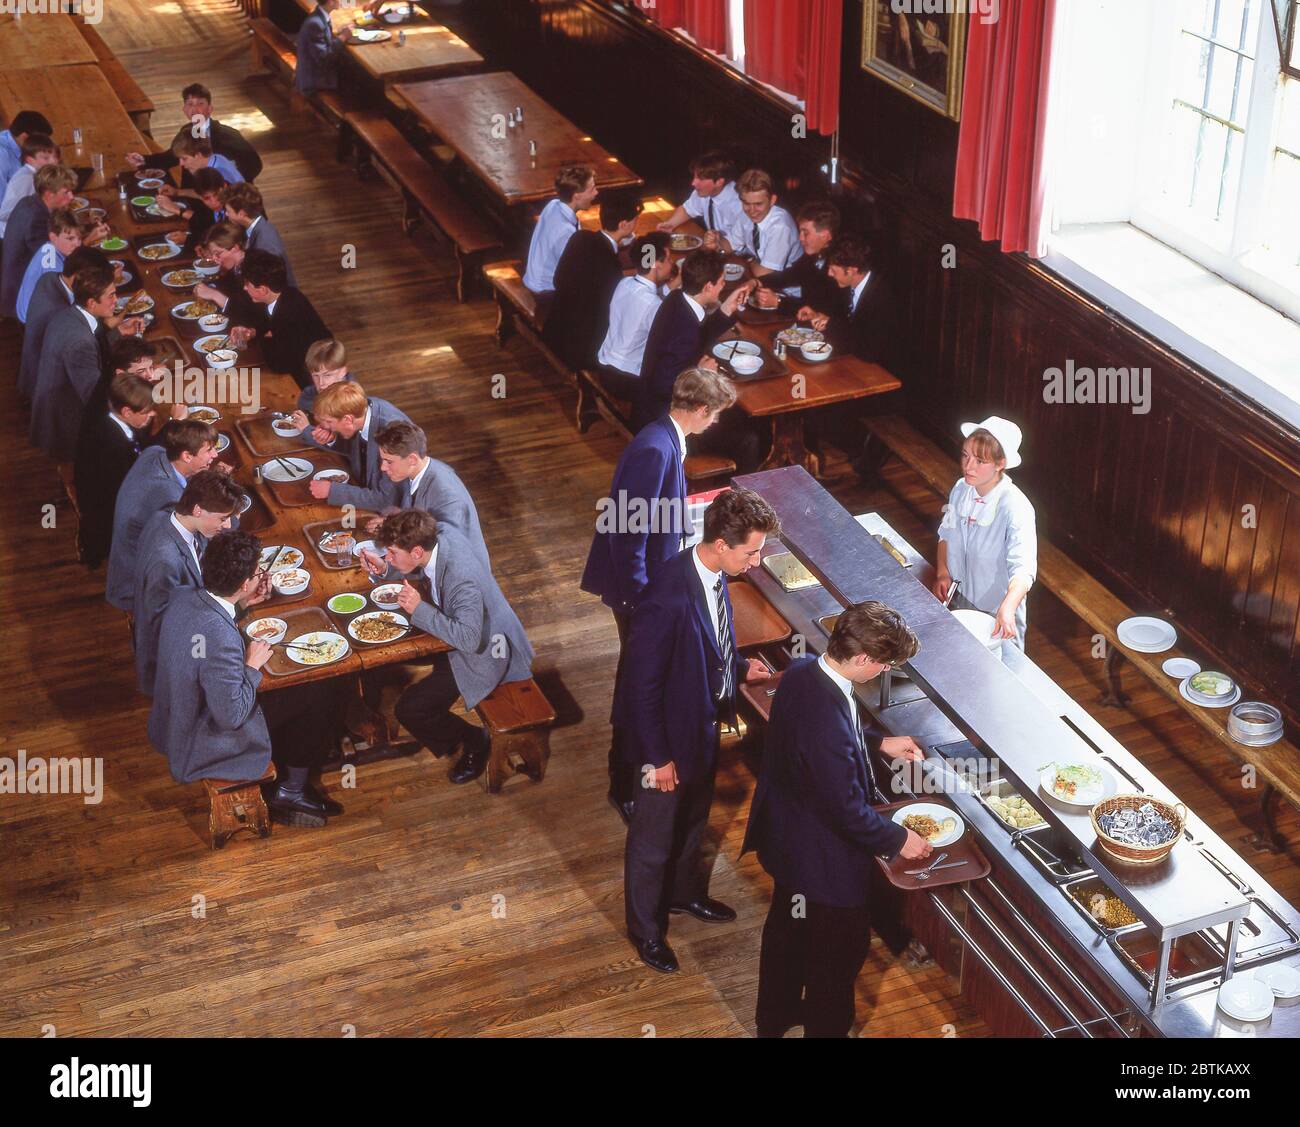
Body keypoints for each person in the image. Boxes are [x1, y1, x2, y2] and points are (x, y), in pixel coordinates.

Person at [742, 602, 931, 1038]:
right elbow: (845, 808)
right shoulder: (827, 717)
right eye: (884, 665)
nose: (883, 673)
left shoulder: (805, 670)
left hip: (786, 839)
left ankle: (773, 1019)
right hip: (823, 860)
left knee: (787, 934)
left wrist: (878, 742)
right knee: (838, 958)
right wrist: (897, 838)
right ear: (863, 658)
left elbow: (824, 736)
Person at [617, 488, 779, 973]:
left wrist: (737, 665)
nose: (756, 561)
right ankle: (645, 930)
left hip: (702, 728)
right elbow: (638, 688)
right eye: (751, 551)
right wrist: (657, 758)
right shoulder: (665, 595)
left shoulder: (713, 574)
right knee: (651, 841)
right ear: (722, 544)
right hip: (665, 742)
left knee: (691, 823)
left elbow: (709, 638)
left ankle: (685, 895)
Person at [581, 367, 738, 823]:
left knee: (641, 678)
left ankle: (627, 775)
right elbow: (627, 533)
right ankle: (623, 783)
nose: (715, 424)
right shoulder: (654, 448)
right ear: (701, 410)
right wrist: (639, 600)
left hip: (647, 583)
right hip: (638, 593)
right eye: (716, 416)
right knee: (638, 682)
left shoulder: (663, 438)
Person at [148, 530, 343, 826]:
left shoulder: (184, 597)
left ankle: (298, 759)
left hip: (180, 717)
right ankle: (291, 790)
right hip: (207, 737)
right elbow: (231, 716)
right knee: (318, 688)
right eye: (257, 572)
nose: (260, 575)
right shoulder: (220, 635)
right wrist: (251, 666)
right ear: (244, 583)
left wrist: (244, 603)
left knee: (302, 692)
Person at [359, 510, 535, 784]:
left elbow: (468, 639)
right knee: (382, 655)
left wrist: (419, 608)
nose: (389, 558)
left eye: (392, 553)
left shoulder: (460, 578)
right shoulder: (438, 538)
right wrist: (385, 569)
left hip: (483, 654)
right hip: (460, 635)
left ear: (417, 551)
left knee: (410, 709)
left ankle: (474, 740)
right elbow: (416, 562)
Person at [133, 471, 246, 695]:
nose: (228, 524)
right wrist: (236, 603)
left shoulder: (170, 516)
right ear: (197, 510)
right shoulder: (165, 560)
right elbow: (165, 626)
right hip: (173, 663)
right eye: (223, 518)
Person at [933, 416, 1037, 649]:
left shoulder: (1016, 506)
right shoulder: (961, 488)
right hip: (958, 600)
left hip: (997, 613)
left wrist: (1007, 608)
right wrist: (942, 572)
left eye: (980, 461)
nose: (968, 466)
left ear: (1001, 463)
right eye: (965, 456)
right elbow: (946, 533)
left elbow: (1023, 570)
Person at [106, 419, 222, 613]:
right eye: (209, 450)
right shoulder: (170, 497)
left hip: (122, 561)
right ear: (186, 455)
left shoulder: (155, 453)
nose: (215, 455)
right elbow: (200, 539)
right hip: (139, 586)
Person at [635, 248, 752, 430]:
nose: (723, 286)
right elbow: (663, 385)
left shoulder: (676, 298)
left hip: (648, 404)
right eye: (721, 282)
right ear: (708, 287)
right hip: (667, 419)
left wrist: (726, 309)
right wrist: (700, 373)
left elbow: (696, 337)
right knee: (747, 432)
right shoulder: (686, 330)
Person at [28, 264, 132, 466]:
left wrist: (118, 333)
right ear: (92, 303)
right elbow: (95, 398)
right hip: (67, 425)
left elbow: (90, 346)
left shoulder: (70, 314)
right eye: (111, 296)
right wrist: (131, 385)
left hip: (53, 408)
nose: (116, 301)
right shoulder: (80, 343)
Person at [542, 190, 642, 371]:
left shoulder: (580, 238)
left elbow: (559, 280)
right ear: (623, 224)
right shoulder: (610, 266)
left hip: (555, 332)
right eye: (635, 219)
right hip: (582, 352)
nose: (637, 223)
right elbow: (614, 311)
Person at [371, 420, 490, 567]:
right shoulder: (418, 472)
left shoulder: (447, 496)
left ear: (412, 459)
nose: (383, 467)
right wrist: (396, 523)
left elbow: (448, 553)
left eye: (389, 462)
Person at [74, 372, 159, 569]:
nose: (152, 414)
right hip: (109, 512)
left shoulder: (115, 423)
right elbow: (132, 485)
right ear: (127, 412)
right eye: (147, 411)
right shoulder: (112, 444)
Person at [302, 381, 410, 511]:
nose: (325, 427)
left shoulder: (392, 435)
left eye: (329, 422)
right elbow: (360, 448)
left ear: (348, 419)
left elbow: (387, 500)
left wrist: (332, 491)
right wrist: (332, 439)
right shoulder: (363, 410)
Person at [17, 246, 105, 403]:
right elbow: (83, 343)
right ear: (78, 276)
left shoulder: (50, 278)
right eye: (95, 280)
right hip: (48, 388)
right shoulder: (60, 312)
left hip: (34, 368)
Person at [596, 232, 676, 402]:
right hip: (627, 380)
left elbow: (646, 299)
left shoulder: (624, 283)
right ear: (656, 264)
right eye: (669, 260)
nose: (672, 264)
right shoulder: (654, 305)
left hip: (605, 368)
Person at [126, 84, 262, 183]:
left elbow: (255, 165)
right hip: (193, 196)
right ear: (184, 109)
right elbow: (174, 156)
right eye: (190, 104)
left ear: (210, 109)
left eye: (200, 104)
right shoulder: (186, 131)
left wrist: (229, 186)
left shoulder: (228, 136)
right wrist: (145, 160)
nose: (195, 109)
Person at [231, 249, 329, 386]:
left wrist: (266, 338)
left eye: (247, 284)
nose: (245, 288)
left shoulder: (288, 314)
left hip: (309, 380)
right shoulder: (287, 294)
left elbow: (279, 365)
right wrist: (252, 332)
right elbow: (267, 323)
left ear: (263, 290)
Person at [801, 236, 898, 370]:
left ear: (852, 271)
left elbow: (869, 350)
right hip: (851, 360)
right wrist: (818, 314)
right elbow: (835, 312)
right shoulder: (847, 284)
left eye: (833, 270)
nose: (829, 274)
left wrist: (832, 325)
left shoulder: (882, 297)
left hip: (878, 370)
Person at [1, 163, 76, 318]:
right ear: (49, 194)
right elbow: (54, 263)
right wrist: (87, 241)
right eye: (66, 192)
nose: (72, 197)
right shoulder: (37, 219)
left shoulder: (30, 203)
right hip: (23, 297)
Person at [751, 200, 840, 314]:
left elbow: (817, 308)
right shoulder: (813, 256)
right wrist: (756, 282)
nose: (800, 238)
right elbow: (789, 276)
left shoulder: (837, 265)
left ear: (825, 235)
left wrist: (777, 301)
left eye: (805, 233)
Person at [521, 164, 598, 297]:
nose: (596, 192)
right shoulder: (565, 232)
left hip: (536, 281)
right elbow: (575, 271)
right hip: (545, 292)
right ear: (577, 196)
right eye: (592, 189)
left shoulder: (553, 205)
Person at [711, 168, 799, 276]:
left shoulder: (780, 227)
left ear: (772, 200)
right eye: (746, 203)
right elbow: (731, 244)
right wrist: (716, 242)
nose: (752, 211)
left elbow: (764, 273)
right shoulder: (745, 215)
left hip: (784, 285)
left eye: (758, 204)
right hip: (757, 273)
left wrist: (748, 262)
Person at [222, 183, 297, 287]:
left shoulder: (265, 243)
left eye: (228, 211)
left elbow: (271, 281)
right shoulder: (256, 223)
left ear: (241, 214)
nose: (226, 214)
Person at [657, 151, 744, 240]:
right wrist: (671, 224)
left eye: (700, 179)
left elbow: (741, 242)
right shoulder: (704, 192)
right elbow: (687, 210)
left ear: (719, 182)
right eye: (694, 177)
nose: (693, 183)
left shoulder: (740, 203)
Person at [16, 205, 80, 323]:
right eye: (70, 239)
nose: (77, 244)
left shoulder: (50, 248)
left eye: (79, 238)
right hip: (32, 322)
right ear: (53, 237)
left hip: (34, 310)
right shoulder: (52, 266)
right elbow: (67, 301)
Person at [191, 219, 259, 327]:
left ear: (235, 248)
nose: (214, 259)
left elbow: (251, 316)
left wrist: (214, 295)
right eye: (212, 254)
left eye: (218, 254)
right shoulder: (235, 266)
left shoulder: (256, 269)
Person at [155, 166, 226, 255]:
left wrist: (189, 239)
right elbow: (208, 227)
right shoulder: (211, 209)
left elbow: (225, 240)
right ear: (200, 197)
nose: (214, 202)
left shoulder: (233, 209)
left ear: (224, 187)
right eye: (207, 198)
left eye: (216, 194)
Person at [0, 132, 58, 238]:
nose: (53, 161)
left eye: (54, 156)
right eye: (46, 158)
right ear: (30, 160)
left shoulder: (37, 174)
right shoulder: (26, 179)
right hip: (11, 236)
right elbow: (4, 214)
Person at [295, 0, 353, 96]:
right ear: (330, 2)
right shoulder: (315, 24)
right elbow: (324, 57)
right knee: (361, 77)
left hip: (317, 71)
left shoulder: (320, 16)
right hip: (314, 81)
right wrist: (343, 37)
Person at [292, 338, 354, 415]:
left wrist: (307, 427)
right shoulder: (308, 394)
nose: (321, 383)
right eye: (315, 376)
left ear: (343, 371)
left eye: (327, 375)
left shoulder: (353, 401)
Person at [0, 110, 54, 195]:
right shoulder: (2, 153)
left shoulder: (21, 146)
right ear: (25, 138)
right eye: (40, 142)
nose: (42, 146)